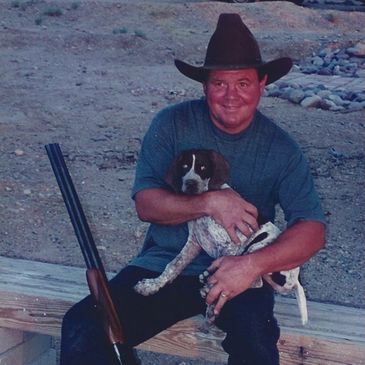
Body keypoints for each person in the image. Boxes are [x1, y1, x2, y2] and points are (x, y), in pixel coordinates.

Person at [60, 13, 326, 365]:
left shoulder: (282, 148)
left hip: (241, 276)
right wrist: (210, 202)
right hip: (165, 267)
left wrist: (251, 265)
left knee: (256, 346)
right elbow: (147, 204)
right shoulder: (171, 124)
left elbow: (313, 230)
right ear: (205, 86)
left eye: (243, 83)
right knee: (84, 327)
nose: (231, 96)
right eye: (219, 84)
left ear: (263, 83)